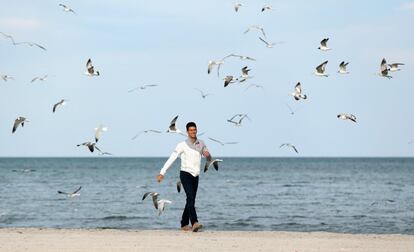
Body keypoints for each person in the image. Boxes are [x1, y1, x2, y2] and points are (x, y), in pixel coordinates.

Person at [157, 121, 212, 232]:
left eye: (194, 129)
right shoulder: (181, 145)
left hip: (196, 175)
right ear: (187, 132)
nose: (193, 131)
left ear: (197, 130)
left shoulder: (201, 143)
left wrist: (208, 155)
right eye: (191, 130)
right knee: (191, 198)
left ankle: (183, 224)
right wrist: (162, 172)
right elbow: (172, 158)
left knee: (190, 199)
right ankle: (195, 222)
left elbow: (209, 157)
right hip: (185, 174)